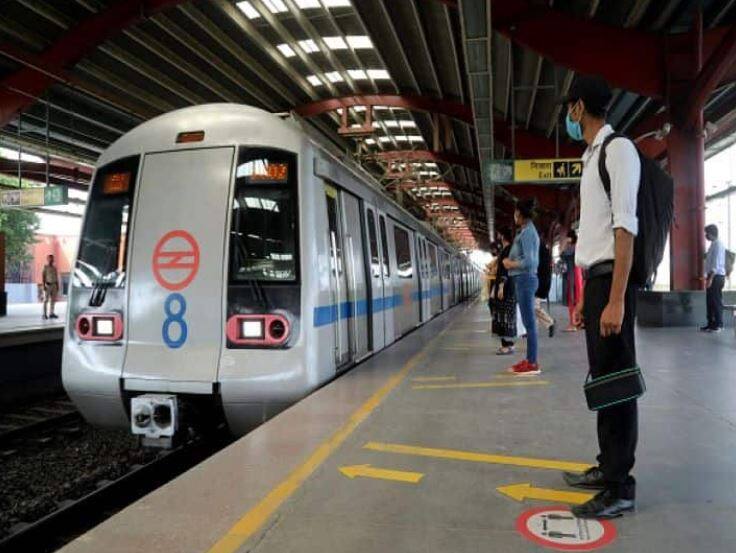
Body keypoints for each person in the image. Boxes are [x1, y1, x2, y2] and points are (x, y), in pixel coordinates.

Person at [560, 74, 640, 519]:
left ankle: (619, 487)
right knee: (603, 382)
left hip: (611, 281)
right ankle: (606, 466)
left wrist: (615, 299)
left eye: (568, 109)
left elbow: (624, 227)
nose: (566, 117)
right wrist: (586, 298)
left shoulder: (618, 150)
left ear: (578, 108)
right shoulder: (591, 156)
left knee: (617, 385)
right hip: (595, 282)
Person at [503, 199, 540, 375]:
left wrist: (510, 263)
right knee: (528, 322)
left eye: (515, 212)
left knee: (529, 324)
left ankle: (532, 363)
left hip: (525, 279)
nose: (514, 216)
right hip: (524, 280)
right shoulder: (527, 231)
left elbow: (531, 261)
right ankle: (530, 359)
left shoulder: (527, 234)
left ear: (520, 214)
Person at [490, 231, 517, 355]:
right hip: (509, 287)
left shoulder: (508, 250)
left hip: (505, 288)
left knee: (503, 316)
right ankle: (509, 344)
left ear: (502, 236)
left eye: (499, 235)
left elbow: (505, 271)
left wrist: (501, 287)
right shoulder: (509, 249)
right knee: (506, 316)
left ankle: (506, 346)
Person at [701, 224, 726, 332]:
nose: (706, 235)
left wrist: (710, 278)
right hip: (712, 276)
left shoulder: (718, 245)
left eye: (707, 233)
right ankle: (710, 324)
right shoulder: (713, 244)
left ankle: (719, 325)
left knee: (716, 301)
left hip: (716, 277)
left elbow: (715, 264)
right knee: (710, 301)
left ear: (712, 233)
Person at [562, 230, 584, 332]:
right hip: (577, 274)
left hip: (572, 275)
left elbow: (563, 254)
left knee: (572, 299)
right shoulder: (577, 247)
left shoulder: (572, 248)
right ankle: (578, 322)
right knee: (577, 298)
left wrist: (565, 244)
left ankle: (573, 323)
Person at [535, 240, 555, 337]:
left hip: (539, 283)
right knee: (534, 307)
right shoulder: (544, 250)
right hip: (542, 282)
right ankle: (533, 329)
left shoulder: (538, 251)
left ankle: (550, 322)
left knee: (534, 306)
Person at [41, 254, 59, 320]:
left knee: (53, 300)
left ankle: (51, 313)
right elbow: (43, 277)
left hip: (54, 285)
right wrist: (43, 286)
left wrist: (57, 286)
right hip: (47, 285)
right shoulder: (45, 267)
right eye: (50, 258)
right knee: (45, 300)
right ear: (48, 259)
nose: (52, 260)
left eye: (52, 258)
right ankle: (44, 314)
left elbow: (56, 277)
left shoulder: (54, 268)